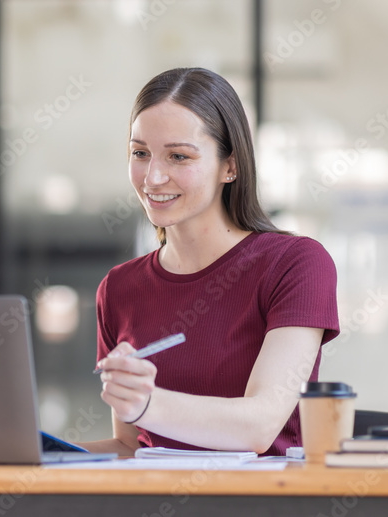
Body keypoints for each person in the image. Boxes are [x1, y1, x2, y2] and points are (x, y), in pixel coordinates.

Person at [80, 68, 340, 457]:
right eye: (140, 153)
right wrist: (34, 452)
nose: (153, 177)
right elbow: (131, 446)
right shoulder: (119, 288)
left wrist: (149, 403)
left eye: (178, 156)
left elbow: (259, 426)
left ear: (230, 166)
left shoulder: (296, 264)